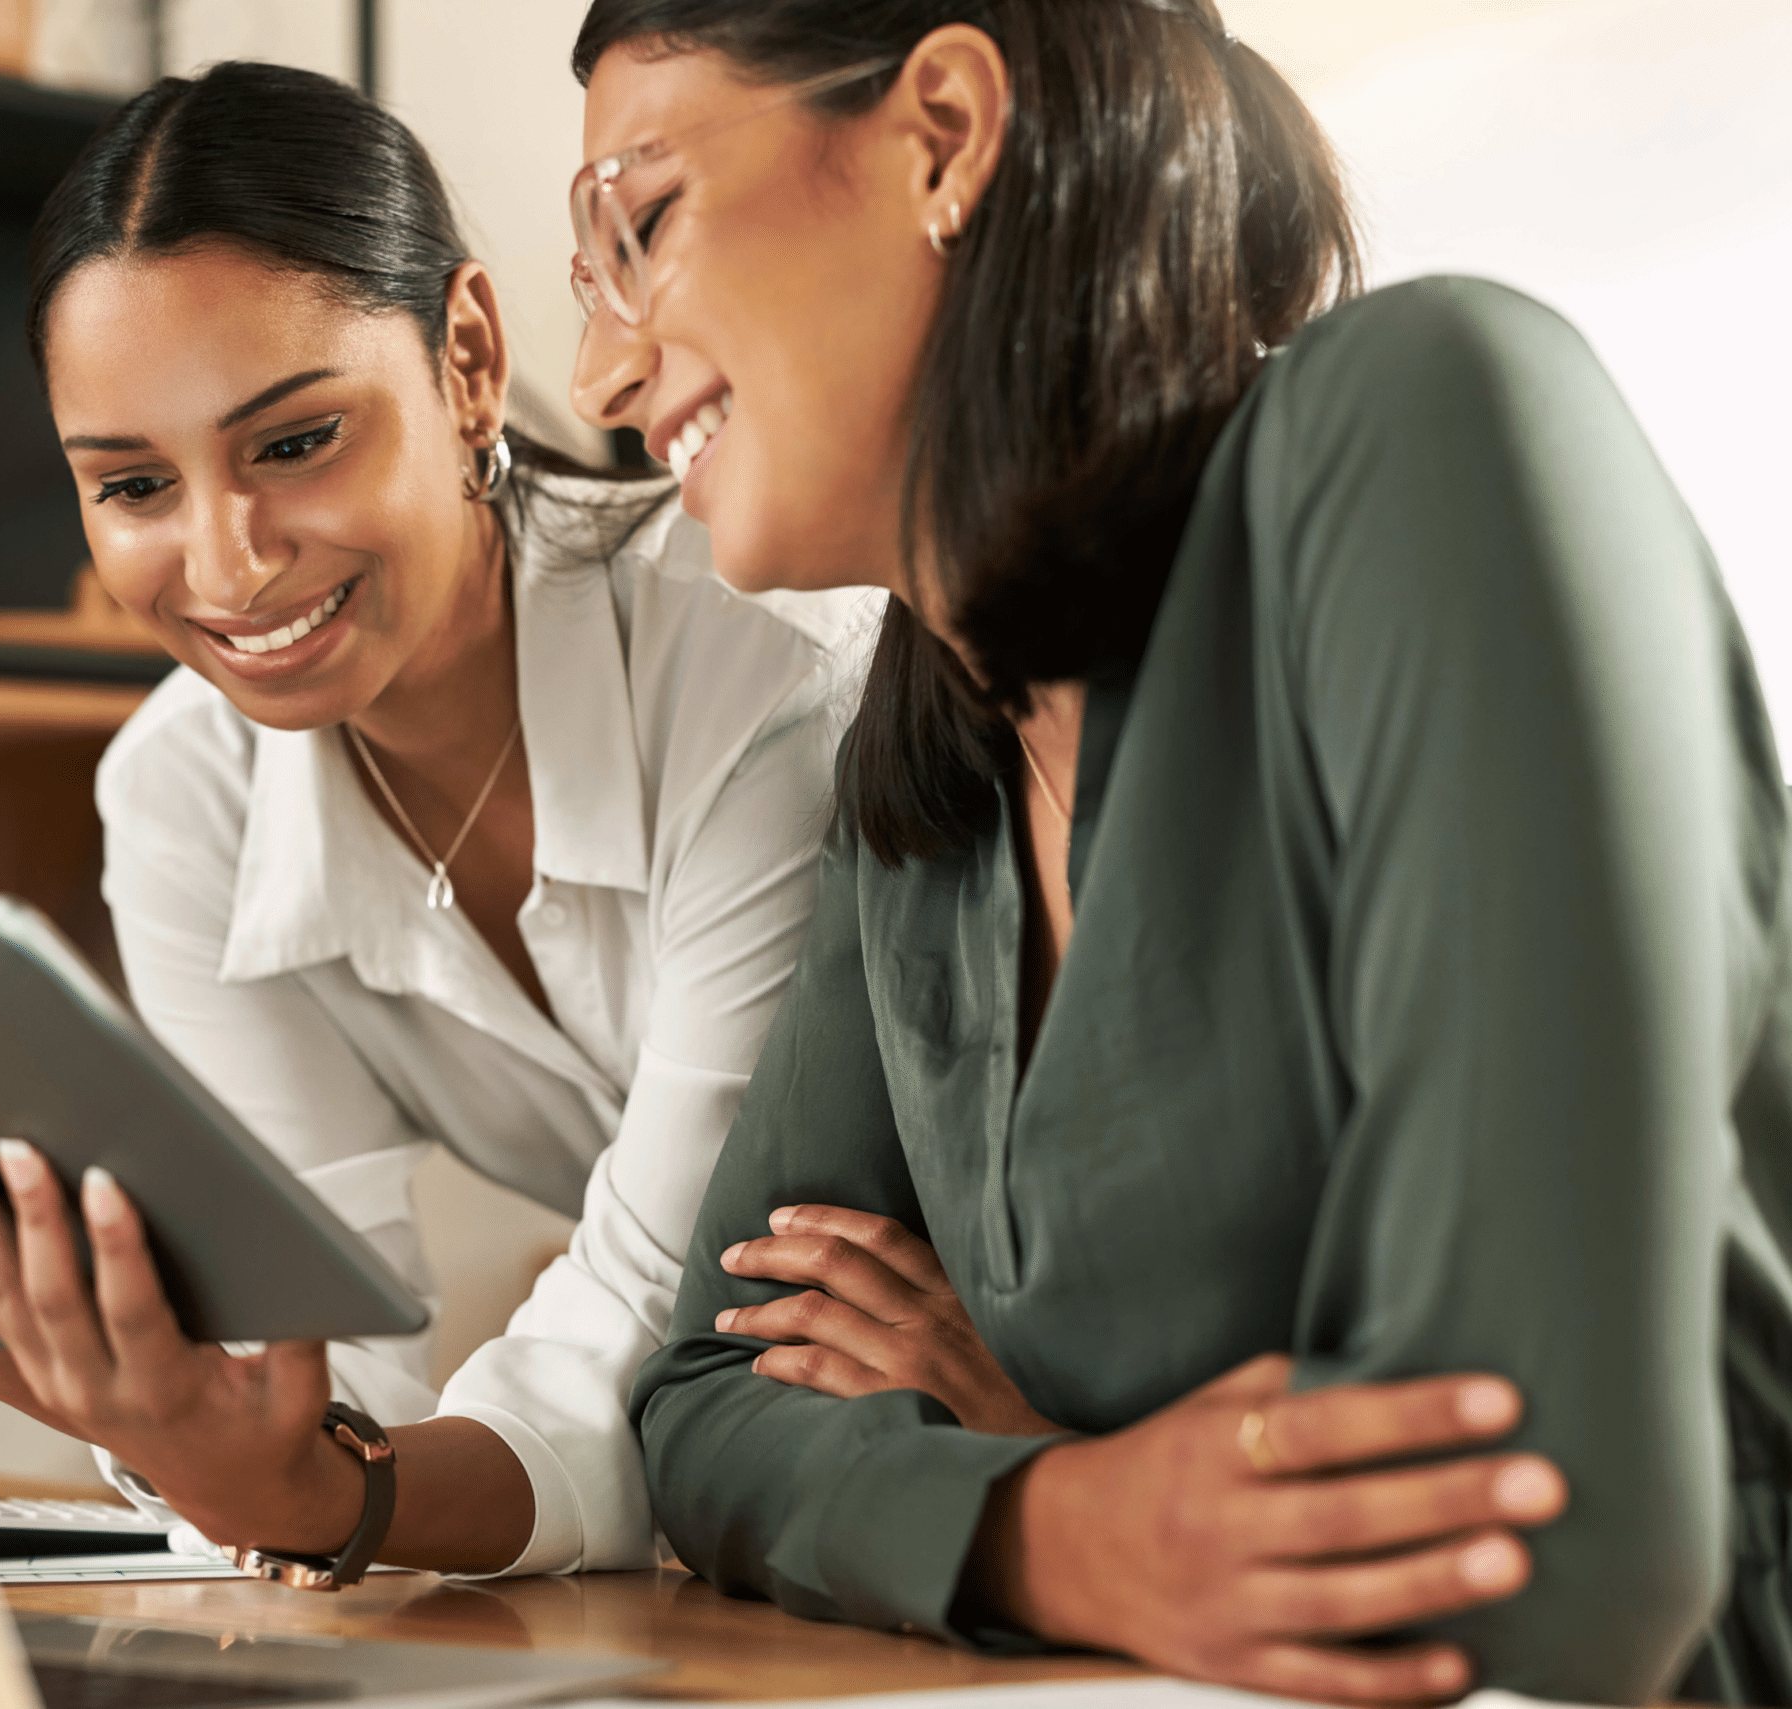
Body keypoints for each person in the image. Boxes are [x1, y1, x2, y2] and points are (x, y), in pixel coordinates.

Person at [565, 0, 1792, 1703]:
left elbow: (1553, 1558)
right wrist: (1064, 1514)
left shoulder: (1428, 425)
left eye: (643, 223)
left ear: (943, 131)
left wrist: (1024, 1454)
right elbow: (704, 1410)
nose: (602, 375)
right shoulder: (925, 759)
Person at [0, 59, 880, 1579]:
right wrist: (109, 1387)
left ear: (470, 357)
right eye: (135, 485)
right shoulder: (182, 797)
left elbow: (658, 1331)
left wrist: (326, 1496)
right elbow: (321, 1374)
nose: (226, 568)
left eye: (294, 444)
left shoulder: (764, 671)